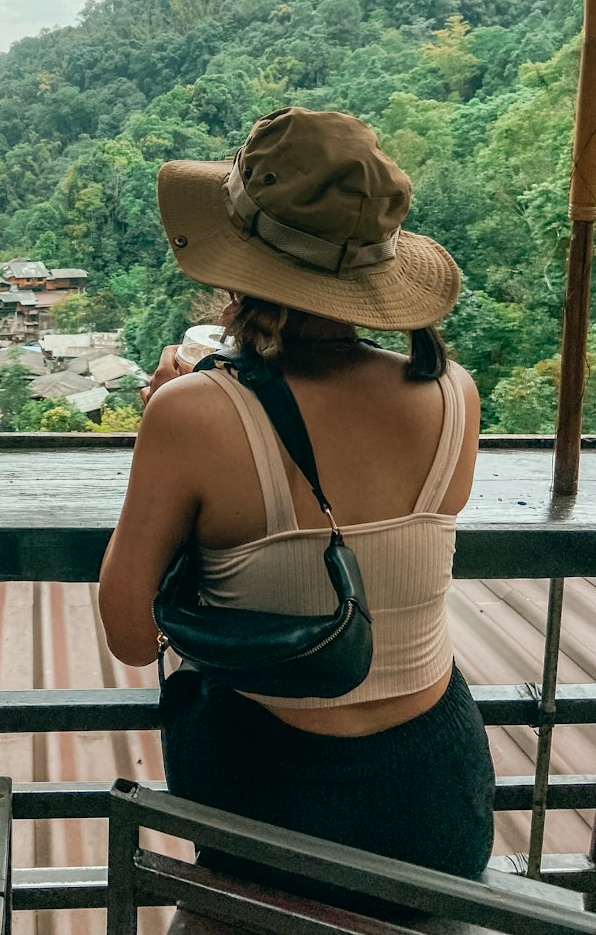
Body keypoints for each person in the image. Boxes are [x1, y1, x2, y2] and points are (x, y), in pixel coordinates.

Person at [99, 106, 495, 893]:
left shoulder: (192, 412)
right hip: (435, 799)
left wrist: (184, 407)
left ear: (240, 262)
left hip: (268, 804)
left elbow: (132, 635)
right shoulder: (456, 394)